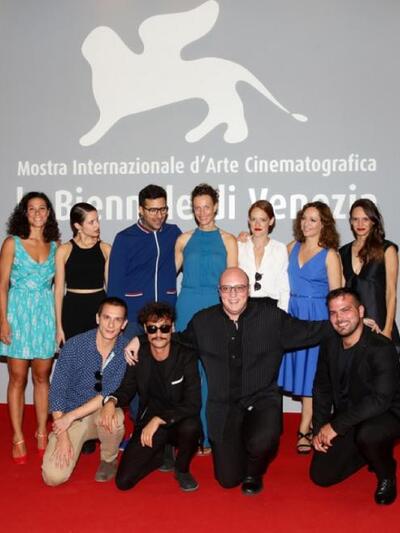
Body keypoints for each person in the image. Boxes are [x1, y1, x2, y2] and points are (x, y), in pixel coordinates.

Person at [125, 267, 332, 495]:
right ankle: (241, 448)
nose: (233, 294)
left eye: (239, 288)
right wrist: (141, 339)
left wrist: (346, 324)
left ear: (248, 290)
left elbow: (312, 331)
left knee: (262, 441)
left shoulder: (272, 317)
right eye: (226, 288)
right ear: (219, 291)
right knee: (228, 480)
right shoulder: (203, 321)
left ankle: (254, 472)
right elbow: (178, 339)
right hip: (223, 406)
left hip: (261, 400)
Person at [310, 288, 400, 505]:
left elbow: (380, 400)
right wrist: (320, 428)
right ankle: (368, 452)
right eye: (333, 313)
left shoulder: (381, 347)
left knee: (368, 435)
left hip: (386, 413)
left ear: (360, 311)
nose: (339, 318)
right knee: (321, 476)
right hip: (351, 415)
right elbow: (322, 388)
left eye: (345, 310)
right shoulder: (329, 343)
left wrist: (336, 426)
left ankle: (386, 473)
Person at [102, 302, 201, 492]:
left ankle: (181, 469)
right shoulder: (139, 355)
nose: (158, 334)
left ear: (172, 328)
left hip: (179, 418)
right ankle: (160, 452)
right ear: (146, 330)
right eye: (152, 329)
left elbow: (193, 403)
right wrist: (111, 401)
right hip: (149, 420)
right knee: (124, 482)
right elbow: (126, 390)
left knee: (192, 427)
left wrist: (160, 419)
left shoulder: (186, 356)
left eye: (164, 328)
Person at [175, 183, 238, 452]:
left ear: (216, 207)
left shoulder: (228, 240)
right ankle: (192, 433)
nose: (202, 212)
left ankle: (212, 433)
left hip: (216, 308)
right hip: (187, 307)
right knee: (190, 372)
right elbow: (164, 278)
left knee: (213, 373)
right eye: (197, 207)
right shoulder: (183, 240)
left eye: (206, 207)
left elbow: (233, 283)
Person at [41, 297, 128, 486]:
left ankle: (109, 460)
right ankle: (72, 440)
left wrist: (70, 417)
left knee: (115, 418)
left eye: (117, 320)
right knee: (53, 477)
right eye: (106, 318)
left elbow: (106, 393)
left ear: (124, 324)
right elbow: (57, 391)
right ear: (97, 318)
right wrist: (62, 434)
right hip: (71, 416)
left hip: (97, 412)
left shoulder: (125, 350)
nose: (111, 325)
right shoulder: (74, 346)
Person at [0, 192, 60, 464]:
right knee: (17, 378)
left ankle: (41, 431)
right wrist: (3, 320)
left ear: (48, 213)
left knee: (42, 377)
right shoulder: (12, 243)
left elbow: (58, 289)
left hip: (44, 316)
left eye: (42, 208)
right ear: (24, 213)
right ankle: (17, 436)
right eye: (32, 208)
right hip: (18, 315)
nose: (37, 213)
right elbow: (2, 285)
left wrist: (58, 325)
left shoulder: (56, 246)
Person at [278, 201, 342, 454]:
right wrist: (245, 240)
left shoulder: (330, 255)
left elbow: (336, 294)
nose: (306, 223)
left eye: (313, 219)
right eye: (304, 218)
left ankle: (305, 427)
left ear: (324, 224)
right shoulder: (291, 247)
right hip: (293, 316)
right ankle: (311, 422)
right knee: (300, 371)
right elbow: (266, 256)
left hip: (317, 318)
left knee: (312, 374)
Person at [108, 184, 181, 338]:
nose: (159, 215)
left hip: (165, 317)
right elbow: (115, 284)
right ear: (141, 210)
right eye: (153, 210)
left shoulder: (173, 232)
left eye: (163, 209)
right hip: (134, 319)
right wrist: (118, 320)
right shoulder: (124, 238)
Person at [339, 199, 399, 347]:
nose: (360, 224)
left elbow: (391, 293)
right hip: (353, 327)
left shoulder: (387, 249)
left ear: (373, 221)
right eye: (355, 219)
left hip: (380, 326)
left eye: (365, 219)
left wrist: (387, 330)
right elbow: (342, 295)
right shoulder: (342, 252)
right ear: (350, 222)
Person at [54, 203, 111, 345]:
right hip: (72, 309)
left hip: (99, 308)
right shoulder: (64, 250)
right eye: (91, 222)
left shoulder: (106, 249)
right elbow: (58, 291)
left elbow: (110, 288)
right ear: (78, 226)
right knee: (73, 355)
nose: (97, 225)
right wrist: (59, 326)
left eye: (97, 220)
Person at [238, 200, 289, 309]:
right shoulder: (239, 246)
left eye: (263, 219)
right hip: (243, 307)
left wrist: (282, 314)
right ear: (249, 221)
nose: (257, 224)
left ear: (271, 221)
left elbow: (284, 287)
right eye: (253, 219)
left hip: (271, 308)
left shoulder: (279, 248)